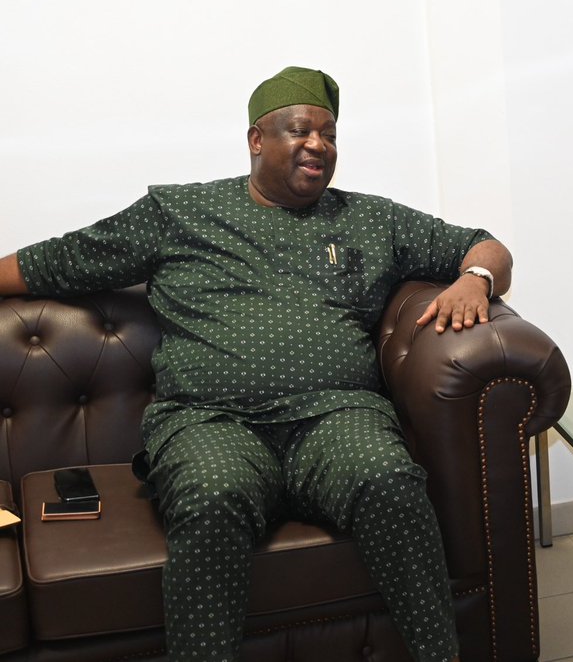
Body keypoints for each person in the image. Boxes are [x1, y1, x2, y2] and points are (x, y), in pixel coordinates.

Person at [0, 66, 513, 662]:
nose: (318, 144)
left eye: (330, 134)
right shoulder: (178, 212)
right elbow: (57, 262)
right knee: (212, 493)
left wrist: (476, 279)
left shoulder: (372, 219)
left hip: (334, 418)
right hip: (210, 422)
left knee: (389, 478)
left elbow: (484, 244)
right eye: (300, 130)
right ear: (256, 140)